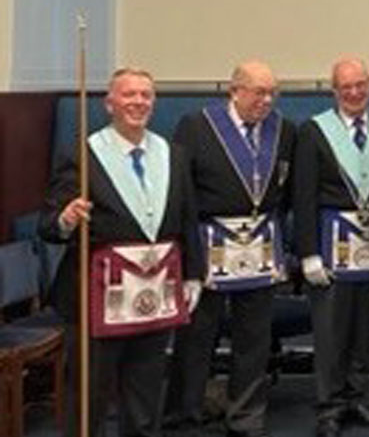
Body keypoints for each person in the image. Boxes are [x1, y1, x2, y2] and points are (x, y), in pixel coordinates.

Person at [41, 67, 202, 437]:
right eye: (129, 95)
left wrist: (193, 274)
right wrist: (65, 218)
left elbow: (187, 219)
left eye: (146, 95)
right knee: (90, 395)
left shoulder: (173, 154)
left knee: (145, 393)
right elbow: (48, 226)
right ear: (109, 103)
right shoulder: (83, 154)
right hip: (95, 296)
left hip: (154, 291)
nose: (139, 102)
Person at [165, 60, 295, 437]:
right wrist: (187, 260)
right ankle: (184, 415)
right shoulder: (196, 126)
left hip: (261, 247)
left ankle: (246, 416)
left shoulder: (284, 130)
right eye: (258, 92)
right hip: (208, 246)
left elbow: (285, 192)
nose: (266, 100)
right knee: (196, 338)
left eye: (273, 92)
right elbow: (181, 193)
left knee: (254, 339)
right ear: (234, 91)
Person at [293, 57, 369, 437]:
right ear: (335, 90)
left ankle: (356, 398)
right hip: (330, 243)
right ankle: (329, 405)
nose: (354, 93)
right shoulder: (315, 132)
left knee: (363, 328)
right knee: (332, 330)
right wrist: (307, 252)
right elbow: (303, 196)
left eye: (360, 85)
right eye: (346, 87)